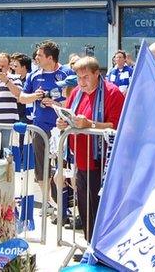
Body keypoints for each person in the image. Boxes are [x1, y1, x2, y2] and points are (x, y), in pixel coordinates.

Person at [57, 56, 125, 242]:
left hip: (101, 160)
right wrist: (64, 122)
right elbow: (71, 116)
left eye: (86, 77)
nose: (81, 82)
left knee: (98, 205)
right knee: (84, 205)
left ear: (97, 74)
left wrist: (90, 124)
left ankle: (100, 245)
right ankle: (89, 244)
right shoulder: (76, 93)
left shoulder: (113, 92)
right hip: (80, 158)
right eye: (78, 77)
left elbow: (116, 125)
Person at [20, 40, 75, 204]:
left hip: (64, 127)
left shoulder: (67, 73)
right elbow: (22, 98)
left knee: (64, 169)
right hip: (40, 127)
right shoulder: (34, 74)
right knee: (42, 167)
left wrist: (56, 104)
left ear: (50, 58)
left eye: (39, 55)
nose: (36, 58)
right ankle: (47, 203)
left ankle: (65, 203)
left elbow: (75, 101)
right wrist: (35, 97)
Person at [10, 52, 32, 123]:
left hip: (28, 115)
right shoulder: (11, 79)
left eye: (16, 66)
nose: (13, 68)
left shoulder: (32, 79)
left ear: (23, 67)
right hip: (14, 114)